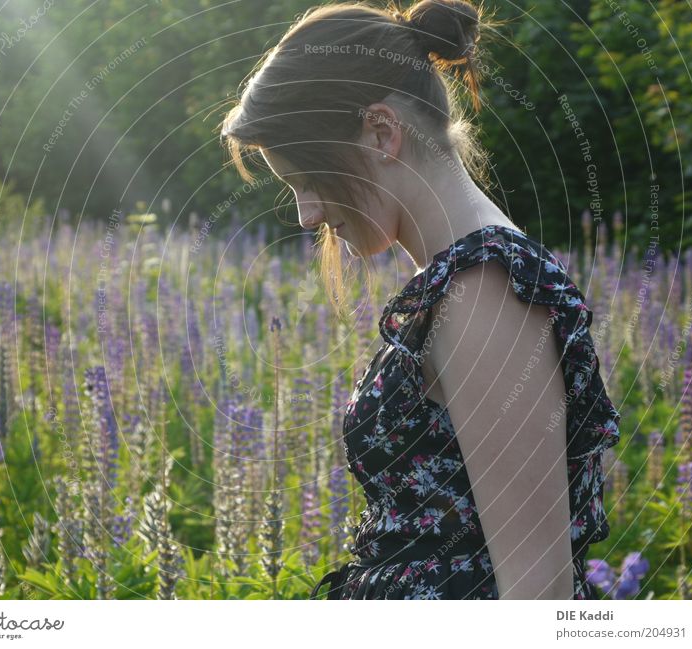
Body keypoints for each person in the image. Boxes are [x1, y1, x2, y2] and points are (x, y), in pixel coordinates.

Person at [220, 0, 621, 599]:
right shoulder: (459, 280)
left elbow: (539, 598)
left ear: (382, 132)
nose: (306, 215)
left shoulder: (486, 291)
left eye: (309, 180)